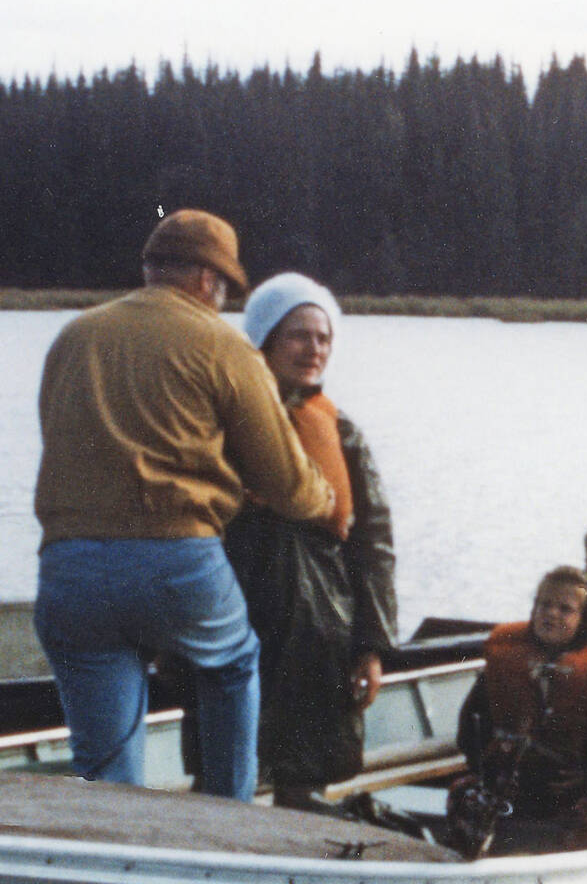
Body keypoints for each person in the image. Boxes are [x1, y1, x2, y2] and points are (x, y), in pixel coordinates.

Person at [32, 210, 333, 800]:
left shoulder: (75, 336)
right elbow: (289, 485)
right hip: (176, 562)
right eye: (223, 290)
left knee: (106, 765)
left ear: (149, 270)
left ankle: (115, 853)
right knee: (234, 663)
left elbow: (60, 438)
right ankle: (227, 815)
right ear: (206, 280)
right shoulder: (224, 346)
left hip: (69, 568)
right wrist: (324, 498)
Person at [214, 271, 398, 809]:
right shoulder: (220, 422)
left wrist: (371, 646)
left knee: (305, 777)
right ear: (265, 340)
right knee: (222, 774)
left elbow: (375, 546)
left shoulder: (342, 433)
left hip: (321, 629)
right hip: (236, 616)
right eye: (298, 334)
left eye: (323, 338)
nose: (313, 349)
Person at [455, 566, 587, 821]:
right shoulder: (508, 657)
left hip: (578, 787)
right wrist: (485, 767)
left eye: (565, 609)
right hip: (514, 784)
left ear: (585, 618)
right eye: (544, 604)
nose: (551, 613)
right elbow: (471, 723)